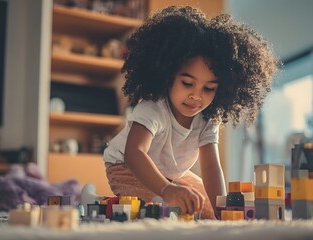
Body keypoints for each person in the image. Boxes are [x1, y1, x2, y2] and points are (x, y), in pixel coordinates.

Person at [103, 5, 280, 219]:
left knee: (203, 207)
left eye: (208, 88)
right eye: (187, 83)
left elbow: (210, 167)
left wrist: (221, 211)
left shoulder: (207, 118)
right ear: (167, 74)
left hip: (171, 175)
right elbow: (134, 153)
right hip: (126, 167)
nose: (197, 96)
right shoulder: (153, 107)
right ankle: (101, 201)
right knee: (160, 210)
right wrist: (168, 190)